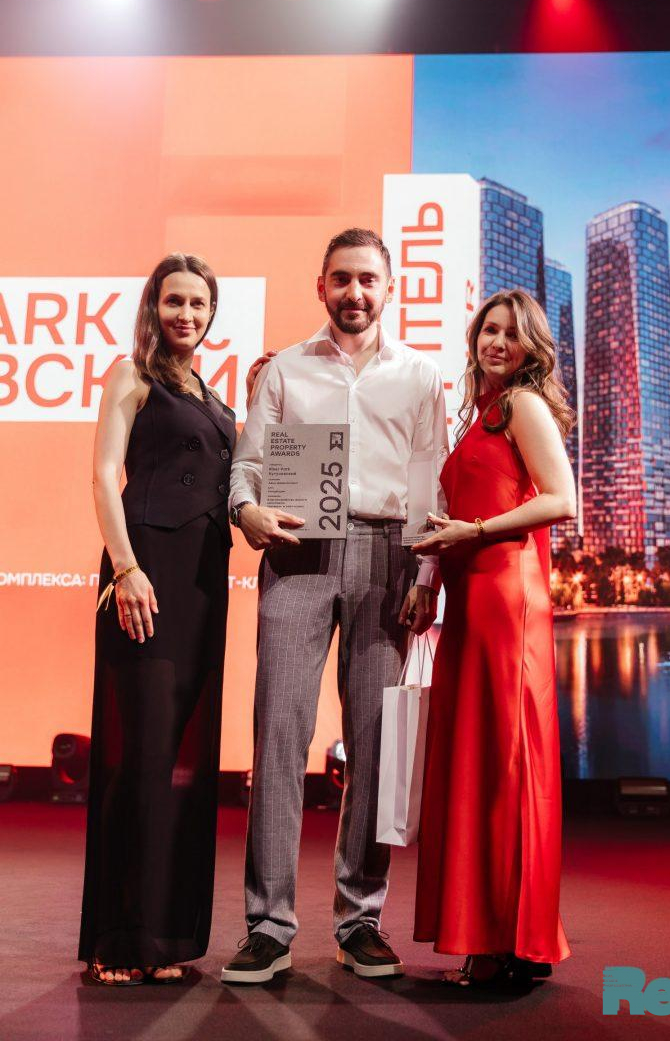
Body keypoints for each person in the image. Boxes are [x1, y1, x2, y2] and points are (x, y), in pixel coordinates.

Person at [221, 227, 448, 985]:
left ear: (389, 290)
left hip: (388, 555)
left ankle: (360, 920)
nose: (355, 292)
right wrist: (246, 510)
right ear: (321, 286)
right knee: (278, 737)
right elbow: (248, 465)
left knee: (375, 745)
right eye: (342, 279)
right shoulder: (284, 369)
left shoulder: (420, 376)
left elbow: (432, 484)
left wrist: (427, 574)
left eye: (368, 280)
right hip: (298, 552)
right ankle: (268, 926)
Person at [78, 253, 236, 986]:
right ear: (154, 306)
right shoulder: (130, 375)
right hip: (145, 580)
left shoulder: (213, 395)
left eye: (199, 304)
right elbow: (102, 475)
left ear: (211, 314)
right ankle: (118, 937)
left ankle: (164, 936)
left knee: (180, 763)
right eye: (175, 301)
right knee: (137, 758)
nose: (187, 315)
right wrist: (126, 568)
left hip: (203, 587)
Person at [412, 289, 575, 987]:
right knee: (484, 764)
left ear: (531, 347)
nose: (497, 343)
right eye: (489, 330)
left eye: (512, 334)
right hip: (472, 600)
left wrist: (472, 532)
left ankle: (510, 942)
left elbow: (561, 498)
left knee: (507, 768)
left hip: (507, 600)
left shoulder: (522, 406)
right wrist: (431, 574)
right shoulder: (479, 413)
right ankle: (505, 938)